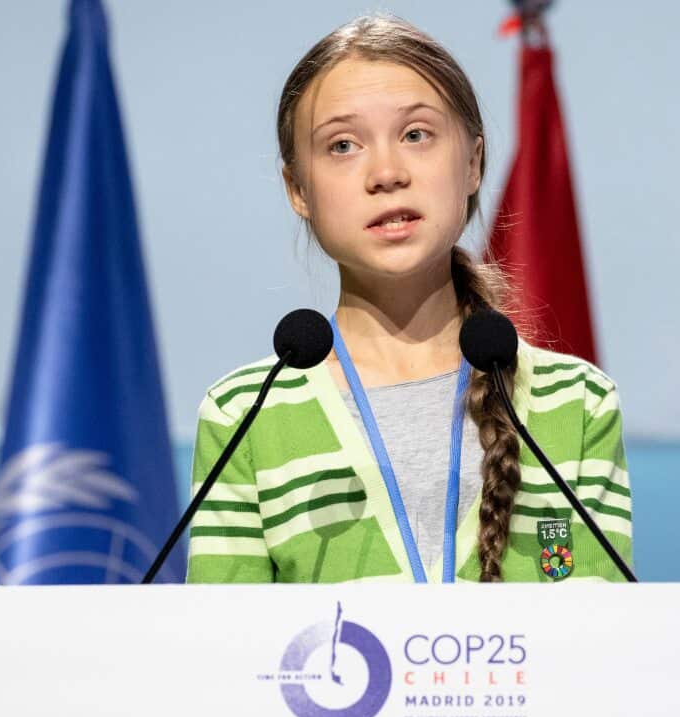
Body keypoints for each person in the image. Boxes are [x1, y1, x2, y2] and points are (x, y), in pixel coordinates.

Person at [185, 14, 631, 584]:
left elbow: (608, 650)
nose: (387, 173)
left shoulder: (579, 404)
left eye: (416, 134)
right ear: (299, 189)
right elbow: (229, 656)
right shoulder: (245, 417)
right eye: (343, 145)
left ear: (471, 164)